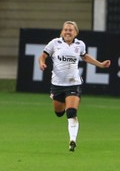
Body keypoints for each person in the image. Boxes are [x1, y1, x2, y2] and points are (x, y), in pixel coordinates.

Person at [38, 21, 111, 152]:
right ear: (62, 31)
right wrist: (42, 63)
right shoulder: (55, 43)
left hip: (73, 83)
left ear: (75, 33)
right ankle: (62, 102)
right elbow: (42, 56)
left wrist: (100, 64)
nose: (67, 32)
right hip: (57, 85)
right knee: (59, 113)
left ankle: (72, 140)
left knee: (71, 112)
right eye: (65, 29)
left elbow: (85, 57)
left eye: (70, 30)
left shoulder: (80, 45)